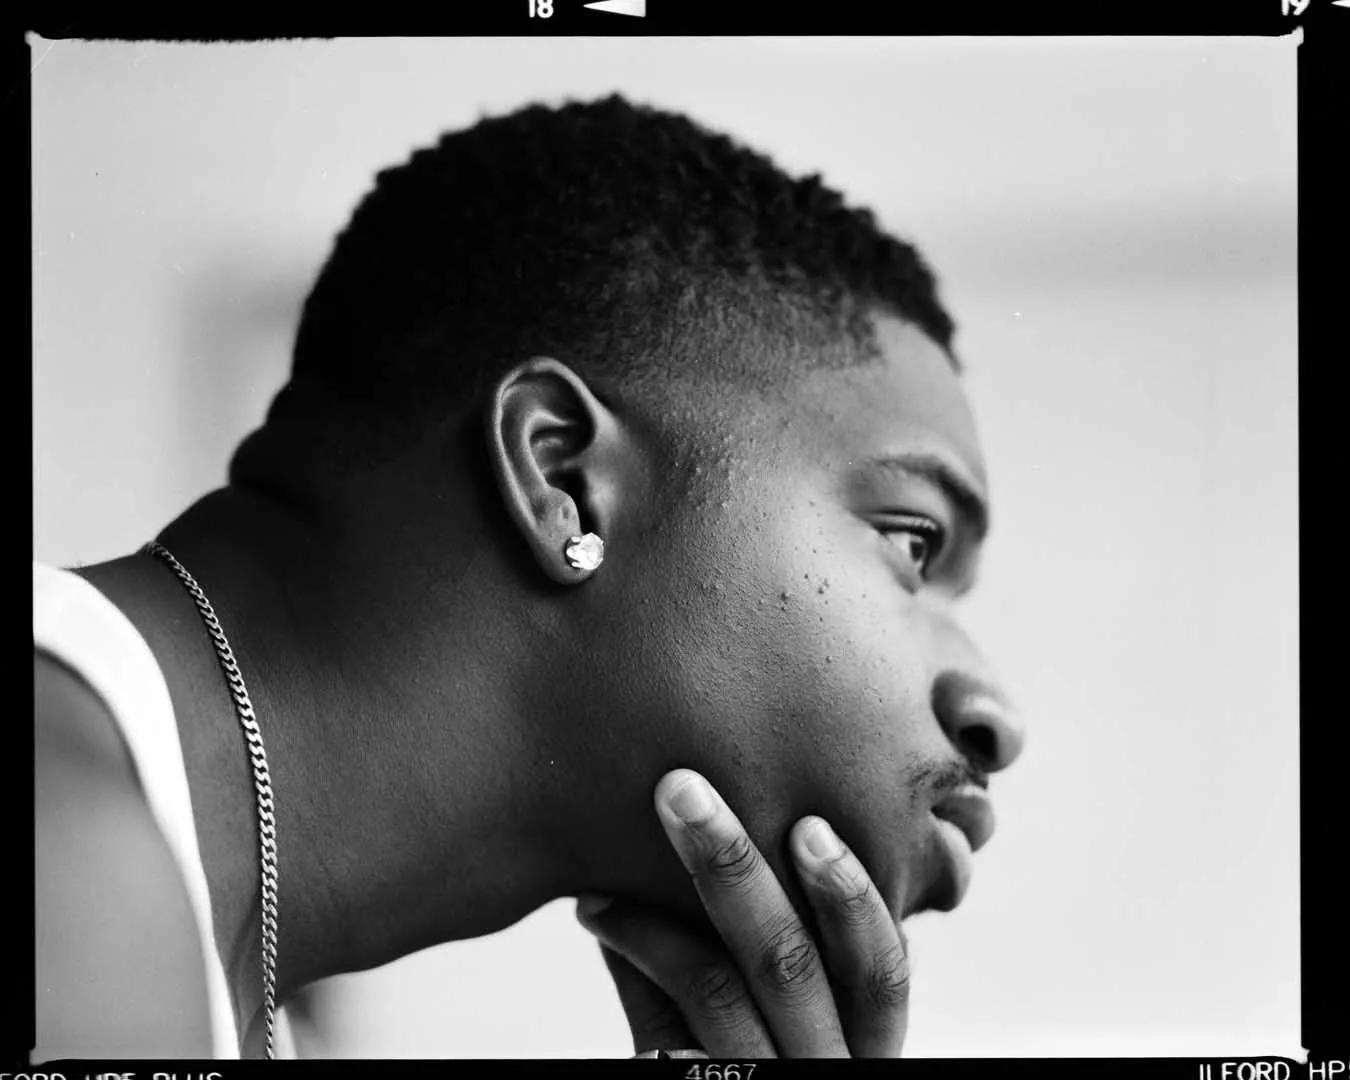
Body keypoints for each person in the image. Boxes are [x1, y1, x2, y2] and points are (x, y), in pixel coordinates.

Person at [33, 93, 1025, 1060]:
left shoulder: (217, 959)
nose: (996, 714)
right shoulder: (65, 844)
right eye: (914, 543)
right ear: (565, 482)